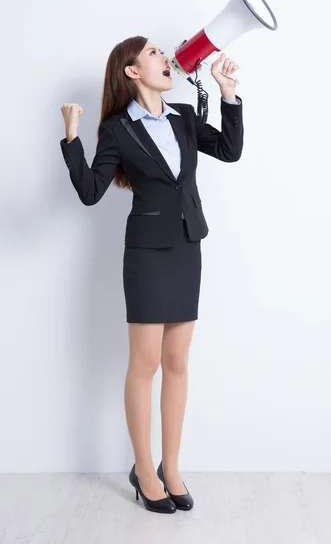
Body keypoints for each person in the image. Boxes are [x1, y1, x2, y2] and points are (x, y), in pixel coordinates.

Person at [60, 36, 244, 513]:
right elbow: (90, 192)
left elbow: (228, 149)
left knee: (178, 362)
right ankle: (144, 470)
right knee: (145, 365)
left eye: (164, 52)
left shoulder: (183, 115)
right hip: (145, 254)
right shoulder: (117, 130)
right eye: (155, 53)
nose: (167, 58)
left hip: (186, 247)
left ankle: (171, 466)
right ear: (132, 71)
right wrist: (71, 137)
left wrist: (227, 95)